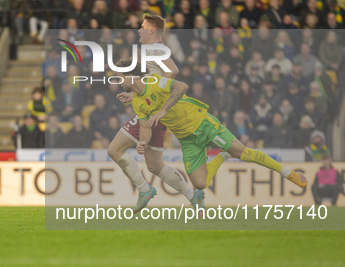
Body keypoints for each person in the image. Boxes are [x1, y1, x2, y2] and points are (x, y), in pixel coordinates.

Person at [115, 57, 308, 212]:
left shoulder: (154, 80)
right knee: (200, 184)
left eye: (119, 77)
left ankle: (289, 174)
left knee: (244, 153)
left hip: (203, 125)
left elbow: (181, 86)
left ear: (131, 76)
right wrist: (142, 142)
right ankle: (224, 155)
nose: (118, 82)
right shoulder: (137, 102)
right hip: (187, 140)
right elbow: (145, 127)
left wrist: (163, 110)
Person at [107, 14, 196, 213]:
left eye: (142, 27)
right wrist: (137, 95)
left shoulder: (155, 49)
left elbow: (172, 71)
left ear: (151, 31)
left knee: (114, 150)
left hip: (152, 110)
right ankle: (193, 195)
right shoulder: (150, 50)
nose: (138, 30)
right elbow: (150, 81)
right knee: (155, 166)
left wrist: (157, 95)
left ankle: (144, 189)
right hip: (155, 110)